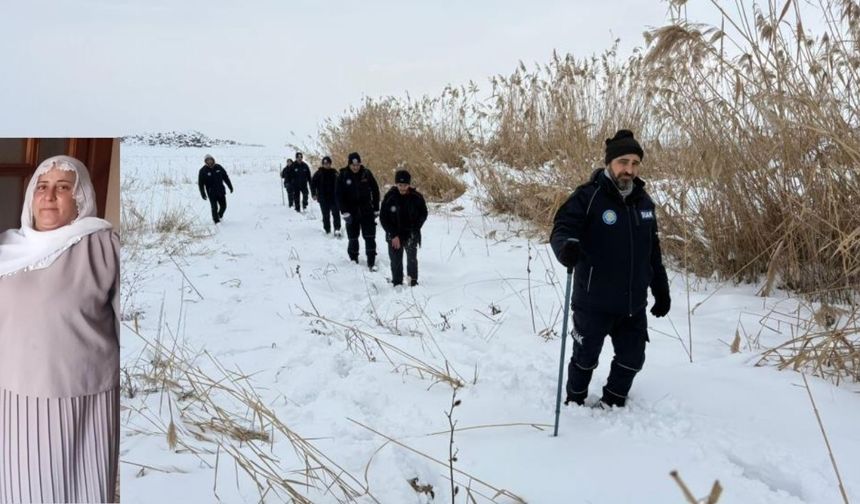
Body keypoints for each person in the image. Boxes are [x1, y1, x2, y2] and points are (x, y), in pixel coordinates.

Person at [0, 155, 119, 503]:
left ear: (79, 198)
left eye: (63, 187)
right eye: (42, 186)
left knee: (80, 486)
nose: (49, 196)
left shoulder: (103, 247)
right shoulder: (7, 248)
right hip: (13, 396)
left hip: (83, 399)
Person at [550, 129, 671, 408]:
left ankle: (613, 402)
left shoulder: (644, 202)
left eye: (635, 163)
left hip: (632, 302)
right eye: (623, 162)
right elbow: (562, 229)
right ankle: (575, 401)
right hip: (593, 300)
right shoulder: (588, 196)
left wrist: (660, 290)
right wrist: (566, 246)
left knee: (632, 359)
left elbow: (653, 251)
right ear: (610, 163)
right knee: (585, 357)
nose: (629, 169)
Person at [380, 169, 427, 287]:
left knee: (412, 259)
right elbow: (383, 217)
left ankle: (413, 282)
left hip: (411, 234)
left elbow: (424, 213)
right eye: (400, 185)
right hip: (394, 234)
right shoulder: (390, 196)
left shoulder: (417, 197)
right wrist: (393, 234)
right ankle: (397, 282)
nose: (402, 188)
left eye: (405, 185)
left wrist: (416, 228)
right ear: (396, 184)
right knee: (395, 260)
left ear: (409, 185)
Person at [336, 152, 380, 270]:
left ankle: (371, 262)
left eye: (358, 165)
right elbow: (339, 195)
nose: (355, 167)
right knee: (353, 237)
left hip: (367, 210)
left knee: (370, 237)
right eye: (353, 165)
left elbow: (375, 190)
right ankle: (353, 260)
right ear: (349, 164)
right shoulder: (343, 175)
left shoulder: (366, 173)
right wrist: (344, 212)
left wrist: (376, 208)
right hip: (351, 212)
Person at [310, 155, 342, 236]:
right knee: (325, 215)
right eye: (324, 163)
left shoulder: (335, 172)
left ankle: (337, 229)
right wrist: (313, 194)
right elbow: (312, 184)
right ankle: (327, 229)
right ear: (322, 164)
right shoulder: (319, 173)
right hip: (323, 198)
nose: (326, 165)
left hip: (334, 198)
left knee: (336, 214)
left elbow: (341, 183)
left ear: (330, 164)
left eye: (328, 163)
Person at [198, 154, 234, 223]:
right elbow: (201, 184)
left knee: (223, 206)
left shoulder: (219, 167)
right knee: (214, 208)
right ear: (205, 161)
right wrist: (203, 193)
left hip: (221, 191)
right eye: (207, 160)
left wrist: (230, 186)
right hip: (211, 192)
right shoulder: (202, 170)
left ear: (213, 159)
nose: (209, 161)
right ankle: (216, 222)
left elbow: (225, 177)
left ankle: (219, 216)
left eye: (210, 159)